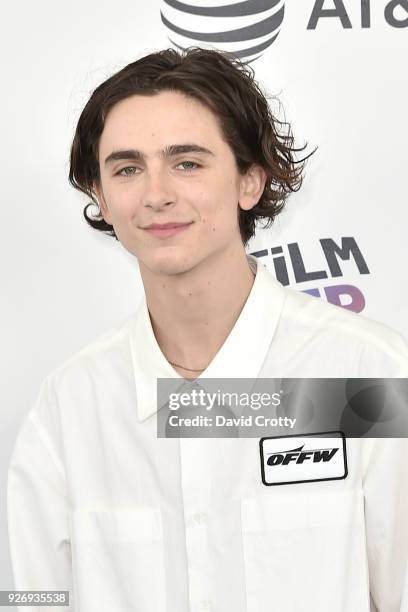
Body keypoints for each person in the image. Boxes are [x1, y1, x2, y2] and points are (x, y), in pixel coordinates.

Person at [7, 47, 408, 612]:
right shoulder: (70, 405)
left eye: (187, 163)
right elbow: (32, 600)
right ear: (101, 196)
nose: (156, 194)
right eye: (126, 169)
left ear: (249, 181)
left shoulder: (368, 377)